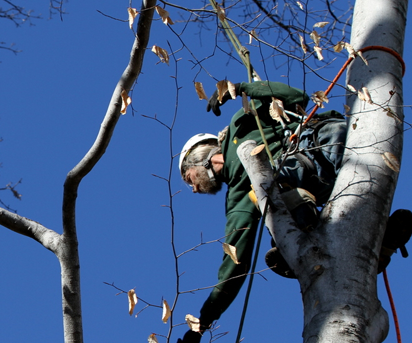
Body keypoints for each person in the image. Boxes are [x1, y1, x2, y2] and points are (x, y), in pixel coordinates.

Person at [176, 81, 411, 343]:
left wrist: (241, 89)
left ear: (198, 157)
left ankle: (320, 221)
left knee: (271, 185)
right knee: (269, 202)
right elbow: (235, 263)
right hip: (321, 185)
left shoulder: (242, 123)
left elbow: (296, 96)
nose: (194, 189)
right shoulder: (239, 196)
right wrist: (203, 323)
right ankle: (375, 244)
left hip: (322, 142)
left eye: (189, 178)